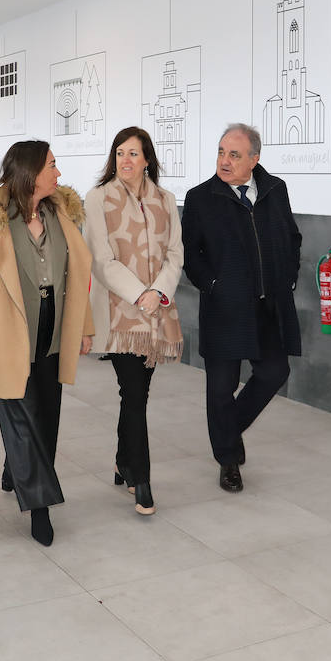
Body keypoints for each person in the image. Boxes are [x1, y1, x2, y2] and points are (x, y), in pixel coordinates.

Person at [0, 140, 93, 546]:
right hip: (6, 330)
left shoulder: (60, 213)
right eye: (52, 165)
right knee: (21, 414)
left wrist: (84, 327)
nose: (58, 173)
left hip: (52, 325)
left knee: (46, 411)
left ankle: (14, 469)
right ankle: (40, 506)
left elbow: (76, 276)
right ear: (30, 172)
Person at [181, 123, 302, 493]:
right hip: (225, 309)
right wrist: (213, 285)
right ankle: (229, 460)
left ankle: (226, 430)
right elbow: (190, 254)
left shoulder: (274, 190)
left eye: (234, 154)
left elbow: (292, 236)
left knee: (274, 371)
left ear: (255, 158)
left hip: (268, 307)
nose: (224, 160)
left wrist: (289, 276)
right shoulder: (201, 197)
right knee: (221, 387)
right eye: (221, 152)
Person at [84, 127, 184, 516]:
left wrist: (158, 293)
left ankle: (123, 460)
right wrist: (138, 294)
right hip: (120, 311)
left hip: (158, 312)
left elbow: (175, 254)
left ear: (147, 160)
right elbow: (101, 258)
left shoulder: (166, 199)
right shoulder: (98, 199)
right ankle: (140, 479)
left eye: (134, 154)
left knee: (136, 391)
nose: (126, 160)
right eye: (120, 153)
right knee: (135, 390)